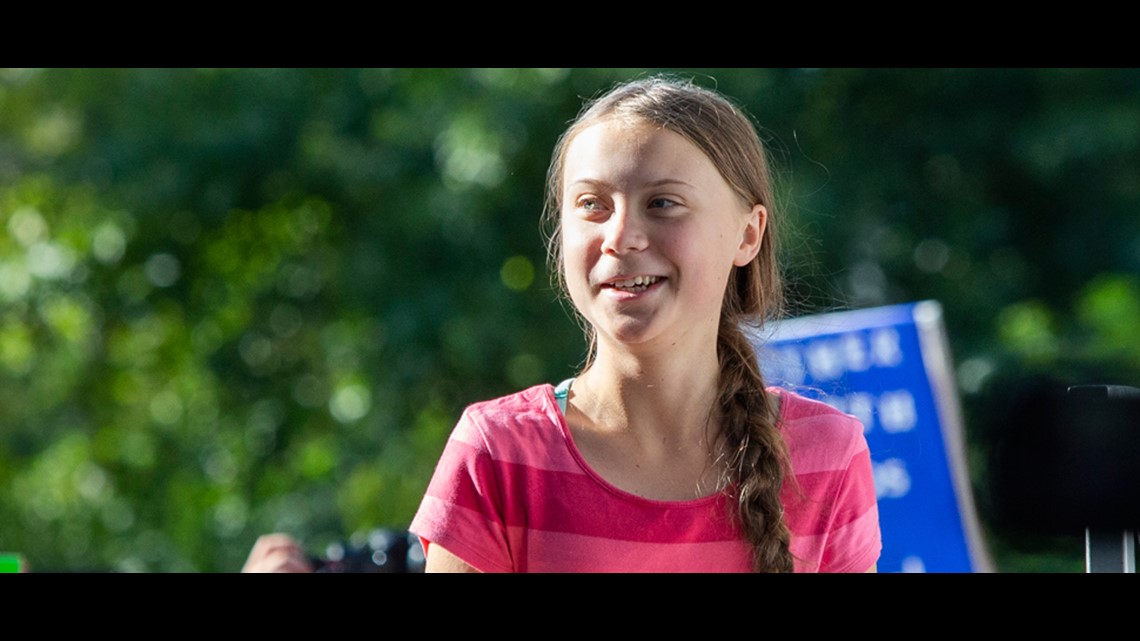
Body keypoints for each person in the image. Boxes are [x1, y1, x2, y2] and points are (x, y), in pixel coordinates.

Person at [409, 76, 881, 573]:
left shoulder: (827, 454)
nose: (620, 236)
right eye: (592, 204)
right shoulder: (497, 454)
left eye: (662, 204)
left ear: (748, 234)